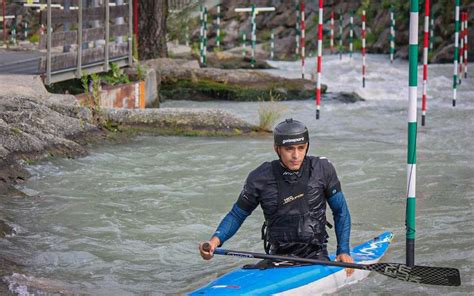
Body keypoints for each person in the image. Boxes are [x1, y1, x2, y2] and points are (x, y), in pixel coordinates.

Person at [199, 118, 354, 276]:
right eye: (289, 149)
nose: (296, 155)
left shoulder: (322, 169)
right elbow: (237, 214)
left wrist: (343, 250)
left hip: (316, 258)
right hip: (276, 258)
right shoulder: (259, 177)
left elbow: (340, 210)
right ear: (277, 148)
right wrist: (214, 241)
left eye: (301, 148)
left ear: (307, 146)